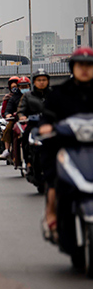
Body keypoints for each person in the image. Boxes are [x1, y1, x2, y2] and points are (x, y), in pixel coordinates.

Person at [40, 47, 93, 243]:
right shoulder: (59, 93)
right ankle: (52, 213)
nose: (85, 69)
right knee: (54, 178)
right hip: (67, 146)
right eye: (81, 65)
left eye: (89, 65)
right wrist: (46, 126)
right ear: (73, 67)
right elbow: (46, 117)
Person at [0, 76, 21, 159]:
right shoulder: (10, 98)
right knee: (8, 129)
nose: (15, 89)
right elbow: (5, 111)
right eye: (13, 87)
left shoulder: (27, 96)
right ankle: (7, 149)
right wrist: (8, 114)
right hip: (14, 119)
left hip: (26, 118)